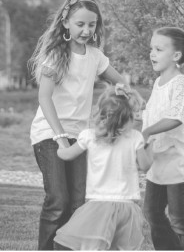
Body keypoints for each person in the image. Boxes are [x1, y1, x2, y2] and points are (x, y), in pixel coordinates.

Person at [28, 0, 128, 250]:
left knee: (78, 203)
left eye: (91, 25)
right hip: (49, 135)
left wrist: (123, 100)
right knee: (58, 200)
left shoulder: (95, 57)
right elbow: (45, 98)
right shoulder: (54, 55)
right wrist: (60, 136)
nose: (86, 30)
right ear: (66, 23)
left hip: (79, 137)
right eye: (80, 24)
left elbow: (120, 83)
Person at [53, 86, 151, 251]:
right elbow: (145, 166)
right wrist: (152, 148)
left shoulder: (89, 136)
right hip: (128, 207)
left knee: (93, 246)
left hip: (98, 206)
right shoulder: (135, 137)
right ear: (128, 117)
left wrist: (58, 144)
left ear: (101, 114)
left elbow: (67, 155)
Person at [142, 26, 184, 250]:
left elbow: (175, 117)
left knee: (180, 219)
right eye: (151, 48)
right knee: (152, 213)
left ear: (176, 56)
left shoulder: (179, 82)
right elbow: (152, 114)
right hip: (159, 163)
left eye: (158, 49)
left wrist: (148, 132)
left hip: (177, 163)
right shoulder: (158, 83)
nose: (152, 53)